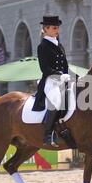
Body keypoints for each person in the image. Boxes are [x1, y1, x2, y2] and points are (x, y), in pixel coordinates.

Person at [32, 15, 69, 147]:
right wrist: (59, 74)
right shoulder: (42, 46)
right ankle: (47, 134)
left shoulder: (60, 45)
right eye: (54, 28)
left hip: (63, 79)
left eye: (57, 27)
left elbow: (65, 64)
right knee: (57, 101)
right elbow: (45, 68)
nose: (56, 30)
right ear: (46, 29)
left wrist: (66, 74)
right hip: (50, 80)